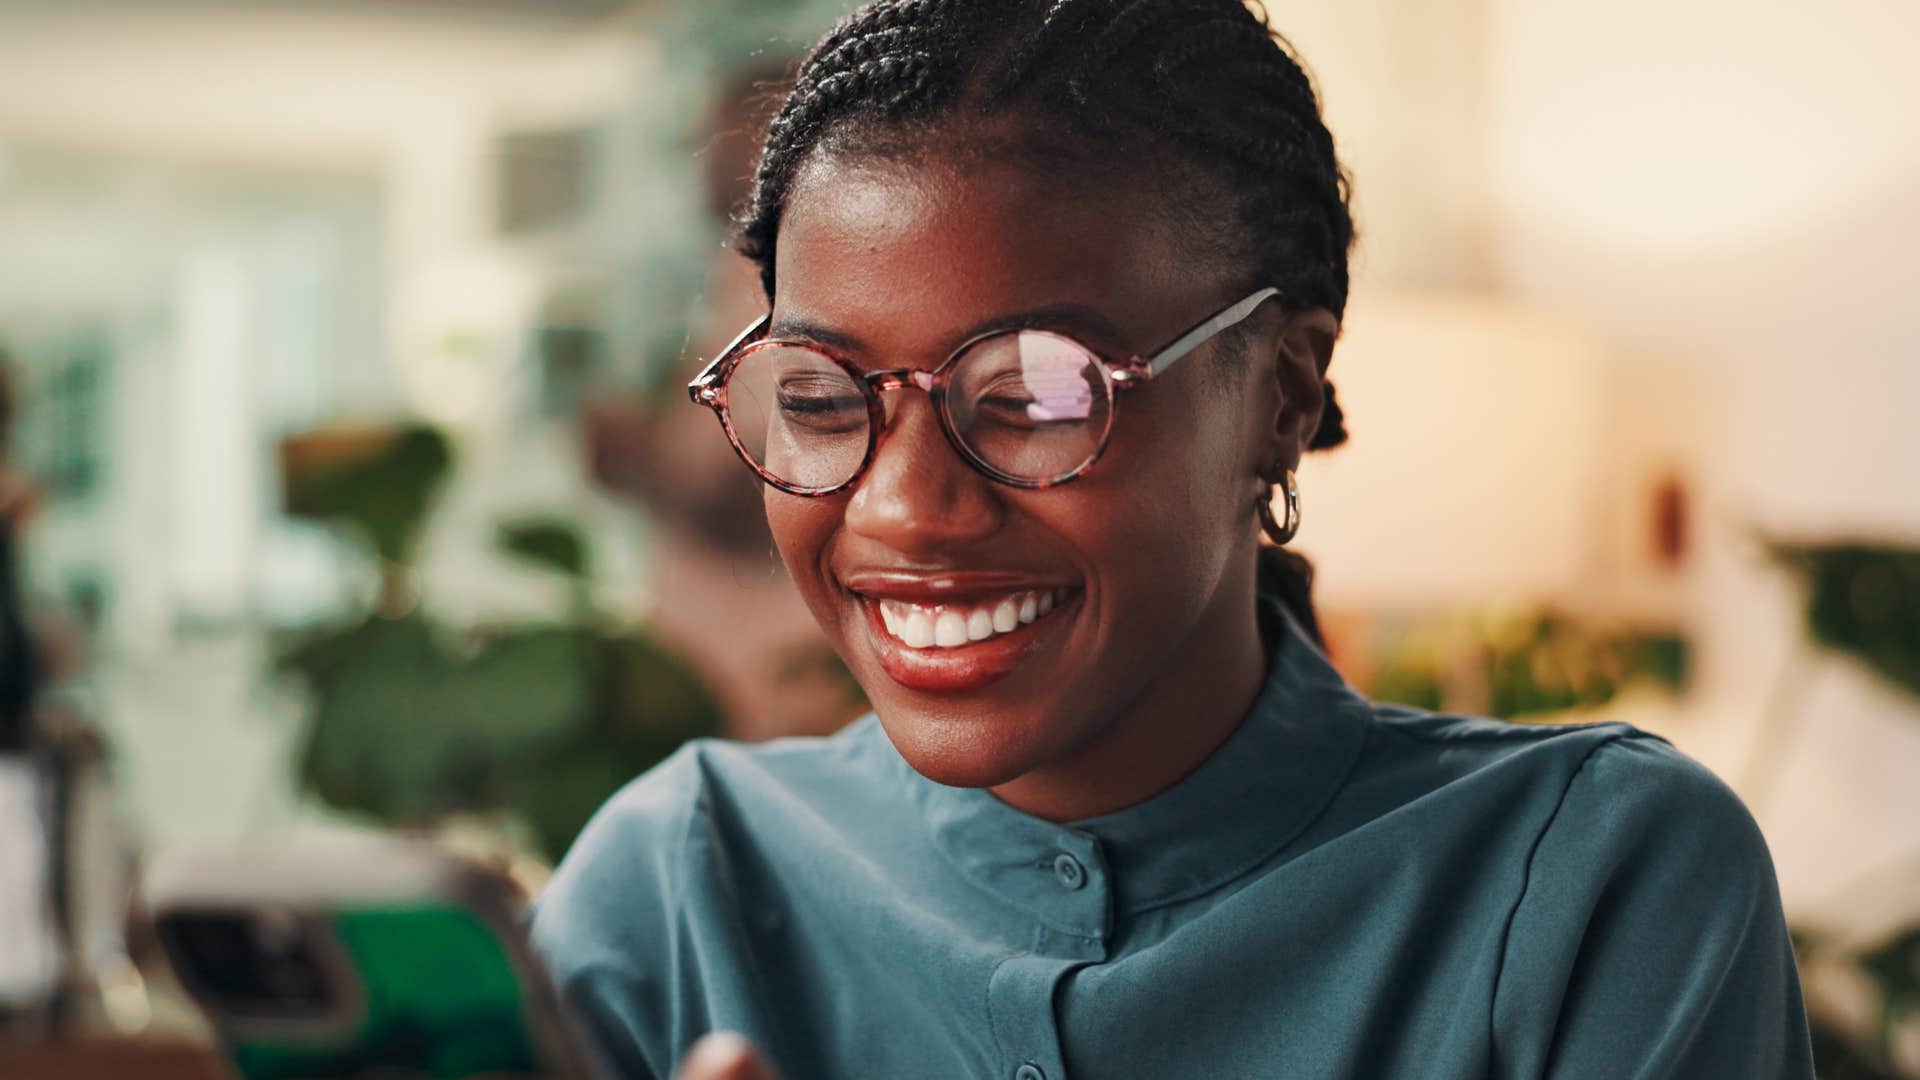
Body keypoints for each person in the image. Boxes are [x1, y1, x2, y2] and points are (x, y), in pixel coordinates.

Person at [532, 2, 1816, 1077]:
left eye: (1036, 394)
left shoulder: (1585, 879)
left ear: (1282, 395)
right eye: (818, 395)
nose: (904, 507)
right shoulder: (679, 884)